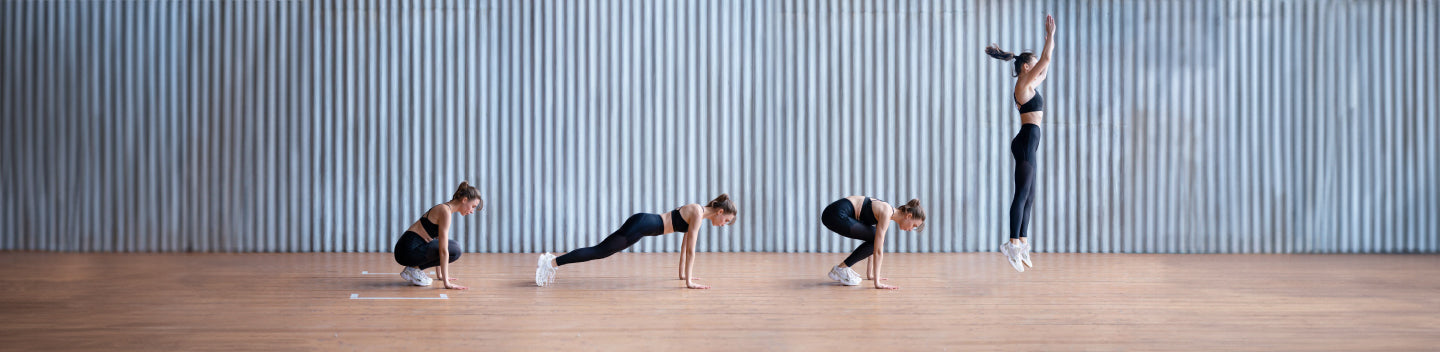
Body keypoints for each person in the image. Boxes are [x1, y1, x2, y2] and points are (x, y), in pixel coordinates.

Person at [535, 194, 737, 289]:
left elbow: (685, 245)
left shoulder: (698, 214)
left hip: (642, 225)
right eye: (726, 221)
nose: (723, 225)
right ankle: (550, 263)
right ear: (720, 212)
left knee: (601, 250)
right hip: (641, 225)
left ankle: (551, 262)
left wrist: (683, 275)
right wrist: (689, 282)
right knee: (599, 251)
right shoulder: (697, 212)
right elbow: (692, 250)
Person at [985, 14, 1055, 272]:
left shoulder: (1030, 82)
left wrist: (1050, 41)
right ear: (1026, 67)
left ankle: (1022, 241)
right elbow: (1045, 61)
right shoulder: (1023, 82)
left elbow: (1046, 66)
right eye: (1033, 64)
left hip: (1029, 141)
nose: (1038, 68)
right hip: (1026, 141)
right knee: (1022, 194)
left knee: (1030, 196)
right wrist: (1050, 36)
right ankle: (1012, 243)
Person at [820, 196, 926, 290]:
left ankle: (841, 268)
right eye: (914, 226)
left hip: (833, 214)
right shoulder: (886, 212)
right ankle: (841, 269)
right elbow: (878, 251)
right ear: (908, 216)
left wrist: (870, 275)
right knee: (876, 238)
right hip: (835, 214)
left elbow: (874, 244)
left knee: (874, 237)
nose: (911, 229)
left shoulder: (887, 211)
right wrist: (877, 283)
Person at [392, 181, 483, 289]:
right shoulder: (445, 212)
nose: (472, 211)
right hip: (406, 250)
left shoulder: (445, 209)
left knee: (453, 246)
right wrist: (447, 283)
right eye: (473, 206)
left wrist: (440, 275)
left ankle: (413, 269)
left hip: (406, 249)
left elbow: (437, 243)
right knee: (455, 249)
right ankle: (412, 269)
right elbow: (443, 250)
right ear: (464, 200)